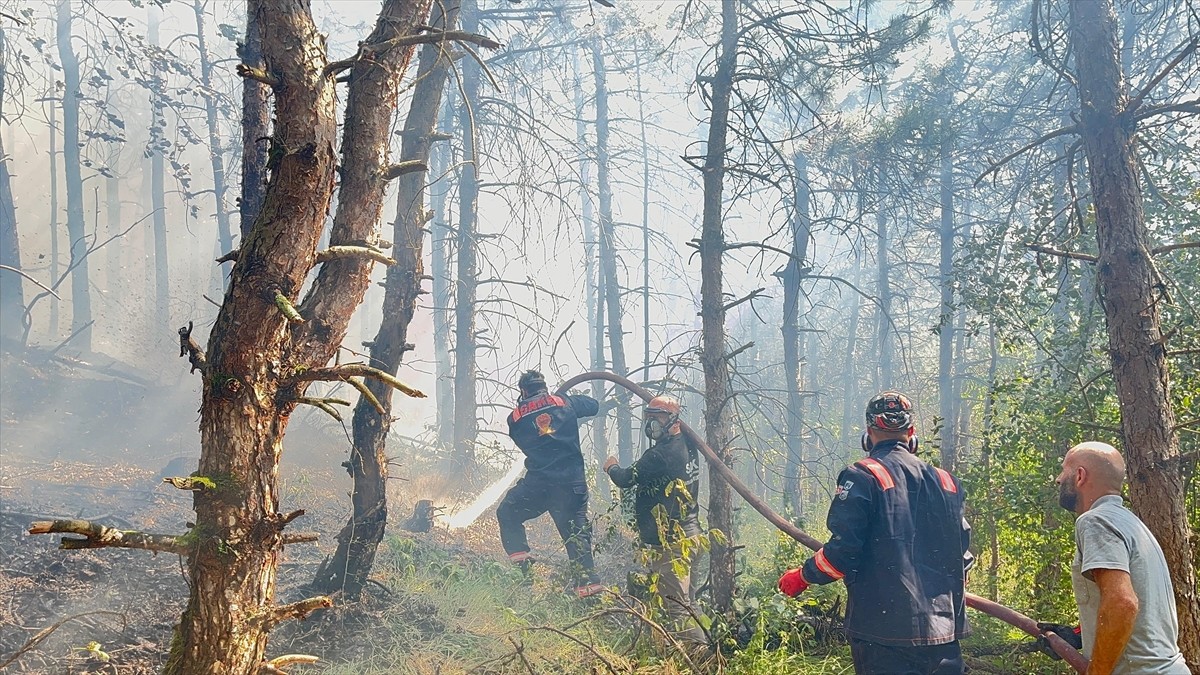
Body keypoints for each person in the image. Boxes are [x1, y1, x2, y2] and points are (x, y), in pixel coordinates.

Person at [777, 391, 972, 675]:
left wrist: (802, 576)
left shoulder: (861, 475)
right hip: (944, 635)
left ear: (869, 433)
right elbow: (963, 560)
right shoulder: (948, 482)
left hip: (884, 639)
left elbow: (842, 555)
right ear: (912, 433)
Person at [1041, 441, 1188, 674]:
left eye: (1064, 470)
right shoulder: (1132, 524)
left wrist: (1097, 672)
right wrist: (1078, 635)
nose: (1058, 479)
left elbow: (1122, 603)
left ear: (1080, 476)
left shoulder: (1095, 521)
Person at [603, 395, 706, 646]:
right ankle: (708, 646)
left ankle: (703, 660)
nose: (651, 425)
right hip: (694, 535)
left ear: (672, 420)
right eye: (648, 418)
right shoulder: (690, 442)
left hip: (673, 544)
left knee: (678, 608)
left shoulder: (659, 455)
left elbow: (627, 478)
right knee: (689, 603)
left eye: (657, 419)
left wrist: (611, 467)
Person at [496, 370, 604, 598]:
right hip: (571, 486)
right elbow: (594, 406)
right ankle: (589, 596)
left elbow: (522, 438)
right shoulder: (564, 402)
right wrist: (563, 407)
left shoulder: (515, 418)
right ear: (544, 386)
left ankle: (522, 567)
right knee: (576, 537)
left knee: (508, 512)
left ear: (523, 391)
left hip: (538, 486)